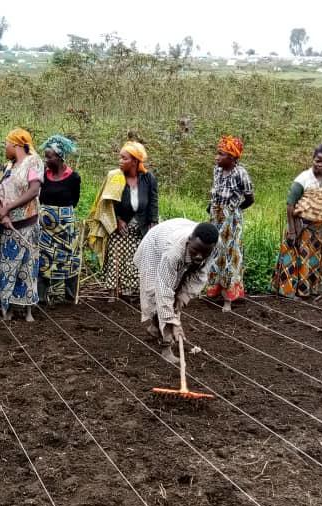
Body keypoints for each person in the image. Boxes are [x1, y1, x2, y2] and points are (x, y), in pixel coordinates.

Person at [137, 219, 219, 364]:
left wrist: (181, 299)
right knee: (157, 294)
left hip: (173, 233)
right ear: (189, 241)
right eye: (195, 251)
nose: (199, 256)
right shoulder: (173, 252)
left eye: (204, 253)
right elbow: (163, 290)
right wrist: (174, 322)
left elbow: (199, 276)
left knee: (176, 297)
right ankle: (166, 347)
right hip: (155, 246)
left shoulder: (212, 247)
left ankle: (154, 328)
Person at [85, 141, 158, 299]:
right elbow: (108, 202)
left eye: (124, 158)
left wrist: (152, 224)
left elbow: (153, 203)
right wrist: (117, 219)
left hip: (140, 226)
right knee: (116, 259)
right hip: (119, 225)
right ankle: (114, 294)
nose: (120, 161)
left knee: (135, 261)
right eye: (120, 157)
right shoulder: (116, 177)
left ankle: (130, 293)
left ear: (135, 161)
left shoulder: (148, 178)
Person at [271, 144, 322, 300]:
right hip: (301, 225)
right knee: (296, 259)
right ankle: (289, 292)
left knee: (311, 260)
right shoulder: (303, 178)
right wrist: (293, 230)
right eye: (317, 160)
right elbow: (290, 204)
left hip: (318, 227)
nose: (320, 165)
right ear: (313, 159)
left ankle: (306, 290)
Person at [0, 128, 44, 322]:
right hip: (7, 226)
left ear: (16, 144)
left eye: (7, 144)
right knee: (7, 267)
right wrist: (2, 212)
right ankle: (9, 309)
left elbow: (33, 191)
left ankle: (28, 310)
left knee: (27, 266)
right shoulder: (9, 167)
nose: (5, 148)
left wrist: (9, 208)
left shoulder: (33, 161)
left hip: (27, 224)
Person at [204, 135, 255, 312]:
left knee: (229, 257)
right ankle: (214, 291)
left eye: (221, 154)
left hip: (231, 222)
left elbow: (250, 198)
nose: (217, 157)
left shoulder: (240, 173)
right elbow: (215, 190)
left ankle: (228, 300)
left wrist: (234, 210)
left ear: (232, 158)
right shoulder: (217, 171)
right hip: (215, 217)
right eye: (217, 153)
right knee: (214, 253)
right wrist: (212, 208)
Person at [38, 134, 82, 305]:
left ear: (59, 157)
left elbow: (74, 201)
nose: (46, 160)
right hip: (45, 227)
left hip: (65, 227)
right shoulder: (43, 175)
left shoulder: (73, 178)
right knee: (44, 259)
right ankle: (41, 297)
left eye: (49, 157)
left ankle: (70, 297)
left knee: (69, 260)